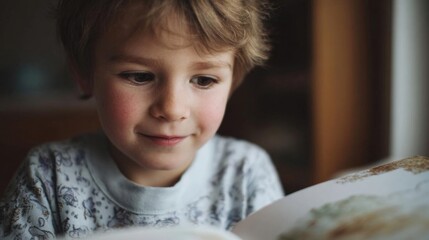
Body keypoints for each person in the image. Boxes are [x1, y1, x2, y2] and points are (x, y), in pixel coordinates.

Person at [0, 0, 284, 239]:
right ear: (84, 75)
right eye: (140, 76)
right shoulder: (47, 176)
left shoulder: (247, 173)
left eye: (204, 79)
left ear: (234, 81)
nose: (172, 109)